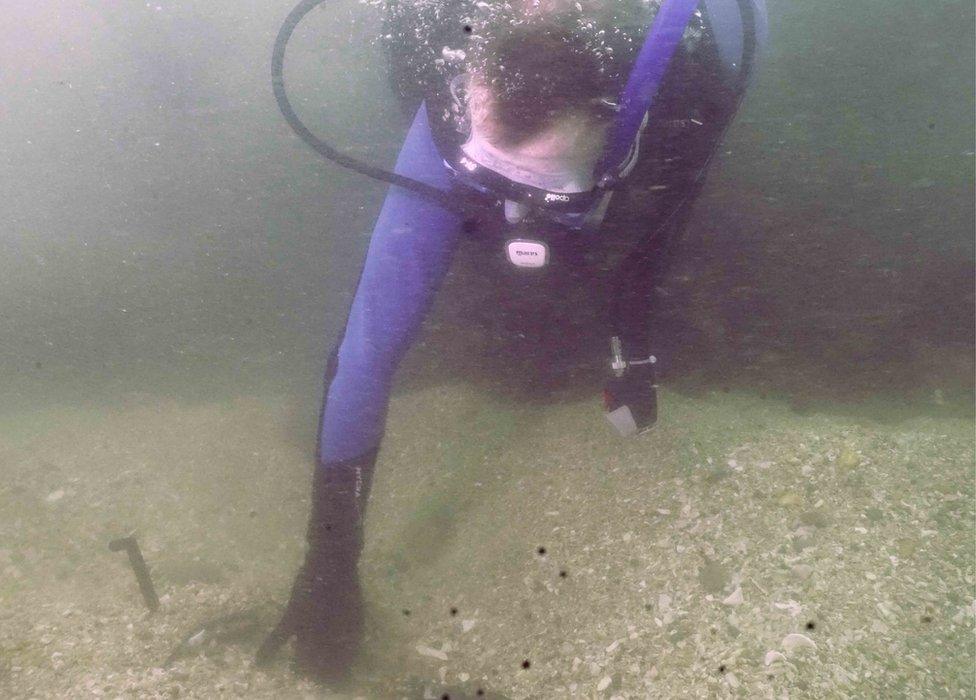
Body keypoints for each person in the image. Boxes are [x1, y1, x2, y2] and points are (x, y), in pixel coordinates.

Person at [257, 0, 767, 683]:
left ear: (625, 124)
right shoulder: (431, 52)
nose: (514, 214)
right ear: (466, 90)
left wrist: (631, 339)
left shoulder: (698, 75)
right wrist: (328, 563)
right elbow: (366, 346)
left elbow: (662, 226)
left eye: (544, 194)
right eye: (489, 177)